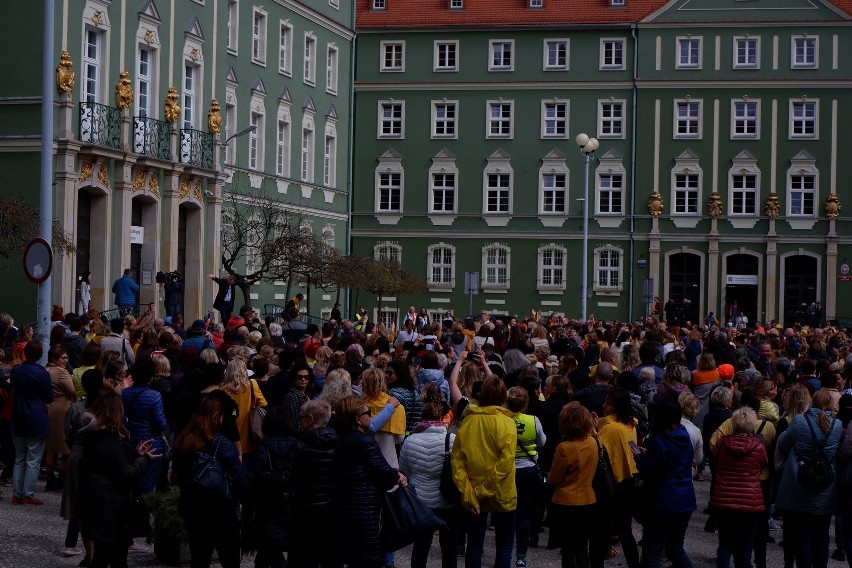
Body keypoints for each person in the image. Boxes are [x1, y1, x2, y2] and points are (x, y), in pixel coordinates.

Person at [78, 392, 161, 568]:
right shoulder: (111, 441)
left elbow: (110, 465)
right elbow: (127, 473)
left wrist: (135, 454)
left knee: (109, 554)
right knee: (109, 555)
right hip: (110, 505)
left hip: (98, 501)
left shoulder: (93, 437)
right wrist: (143, 459)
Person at [173, 395, 253, 568]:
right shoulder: (221, 444)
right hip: (221, 508)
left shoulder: (182, 440)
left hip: (193, 508)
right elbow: (240, 478)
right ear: (217, 417)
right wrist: (249, 505)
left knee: (199, 557)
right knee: (230, 558)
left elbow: (177, 475)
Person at [332, 395, 406, 568]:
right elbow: (384, 472)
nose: (371, 416)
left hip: (344, 508)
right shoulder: (365, 442)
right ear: (358, 419)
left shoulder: (342, 440)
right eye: (369, 412)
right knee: (369, 558)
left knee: (354, 558)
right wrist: (398, 476)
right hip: (363, 509)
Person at [451, 376, 517, 568]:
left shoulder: (468, 422)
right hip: (502, 493)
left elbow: (457, 463)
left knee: (474, 544)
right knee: (504, 546)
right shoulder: (507, 424)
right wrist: (483, 490)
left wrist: (473, 494)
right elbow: (505, 464)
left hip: (473, 495)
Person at [775, 389, 843, 568]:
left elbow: (783, 443)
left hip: (800, 483)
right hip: (825, 487)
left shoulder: (799, 421)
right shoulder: (837, 425)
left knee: (801, 535)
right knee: (821, 536)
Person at [399, 385, 460, 568]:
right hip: (448, 500)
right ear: (442, 417)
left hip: (421, 502)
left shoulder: (410, 441)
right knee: (449, 546)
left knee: (421, 546)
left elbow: (405, 470)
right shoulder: (451, 440)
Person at [635, 396, 696, 568]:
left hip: (663, 500)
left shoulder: (659, 441)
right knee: (675, 548)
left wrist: (639, 457)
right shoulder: (684, 436)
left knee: (653, 551)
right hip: (685, 498)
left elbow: (651, 470)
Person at [710, 406, 767, 568]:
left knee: (725, 544)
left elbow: (715, 461)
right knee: (746, 544)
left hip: (724, 499)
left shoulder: (721, 444)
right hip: (750, 502)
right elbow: (763, 464)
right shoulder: (758, 447)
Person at [547, 401, 601, 568]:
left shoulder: (565, 448)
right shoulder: (594, 442)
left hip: (566, 502)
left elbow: (553, 478)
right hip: (588, 499)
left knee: (568, 548)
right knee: (582, 547)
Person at [245, 406, 299, 568]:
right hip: (292, 500)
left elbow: (253, 476)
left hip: (269, 502)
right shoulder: (297, 444)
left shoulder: (263, 446)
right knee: (271, 548)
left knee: (269, 546)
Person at [288, 399, 339, 568]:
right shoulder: (338, 443)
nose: (299, 421)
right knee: (329, 555)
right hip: (331, 508)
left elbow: (290, 477)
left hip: (304, 509)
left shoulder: (298, 445)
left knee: (302, 555)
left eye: (301, 417)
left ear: (309, 419)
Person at [597, 388, 640, 568]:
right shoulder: (630, 425)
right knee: (625, 529)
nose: (604, 406)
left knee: (602, 527)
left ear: (616, 407)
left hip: (612, 481)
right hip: (629, 479)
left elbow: (596, 448)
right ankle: (634, 563)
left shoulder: (610, 429)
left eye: (608, 403)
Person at [506, 386, 546, 568]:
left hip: (508, 470)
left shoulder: (503, 420)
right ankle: (521, 556)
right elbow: (542, 442)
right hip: (529, 469)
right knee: (525, 514)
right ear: (525, 404)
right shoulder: (533, 420)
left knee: (508, 512)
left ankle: (504, 553)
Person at [10, 340, 53, 505]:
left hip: (18, 414)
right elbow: (49, 396)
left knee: (19, 457)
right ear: (40, 355)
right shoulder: (42, 373)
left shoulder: (17, 371)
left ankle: (17, 493)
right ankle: (28, 493)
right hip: (36, 416)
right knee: (33, 458)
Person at [121, 358, 168, 494]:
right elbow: (161, 423)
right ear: (150, 377)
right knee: (147, 487)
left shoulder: (124, 394)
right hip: (151, 444)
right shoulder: (154, 396)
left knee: (131, 482)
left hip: (129, 442)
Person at [44, 345, 76, 492]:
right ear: (55, 359)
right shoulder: (62, 373)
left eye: (66, 357)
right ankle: (61, 480)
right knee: (65, 448)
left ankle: (50, 479)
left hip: (48, 408)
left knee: (50, 448)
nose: (66, 360)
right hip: (62, 410)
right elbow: (72, 390)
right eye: (63, 357)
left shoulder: (45, 370)